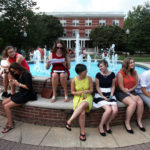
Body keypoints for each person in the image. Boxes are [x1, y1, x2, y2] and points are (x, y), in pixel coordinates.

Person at [1, 63, 37, 133]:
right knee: (3, 102)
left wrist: (18, 84)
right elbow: (12, 77)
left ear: (18, 68)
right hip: (21, 93)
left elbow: (29, 87)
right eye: (13, 72)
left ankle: (10, 124)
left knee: (6, 106)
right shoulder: (18, 74)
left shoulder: (26, 74)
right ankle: (10, 120)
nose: (14, 73)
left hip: (27, 94)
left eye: (14, 71)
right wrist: (10, 76)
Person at [115, 57, 145, 134]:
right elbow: (121, 88)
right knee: (133, 103)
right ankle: (127, 122)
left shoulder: (134, 72)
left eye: (133, 62)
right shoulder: (120, 74)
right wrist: (131, 95)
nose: (133, 64)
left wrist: (131, 91)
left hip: (131, 90)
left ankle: (139, 121)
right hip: (121, 92)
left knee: (140, 103)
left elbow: (136, 84)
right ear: (126, 64)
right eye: (131, 63)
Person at [65, 64, 93, 141]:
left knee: (84, 104)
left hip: (87, 97)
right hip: (78, 97)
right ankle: (82, 132)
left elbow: (91, 90)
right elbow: (72, 92)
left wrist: (88, 91)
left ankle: (69, 121)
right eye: (85, 70)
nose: (87, 71)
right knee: (82, 113)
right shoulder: (74, 80)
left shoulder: (89, 78)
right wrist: (79, 93)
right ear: (80, 72)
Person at [93, 60, 118, 136]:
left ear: (106, 65)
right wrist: (103, 96)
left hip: (110, 93)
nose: (100, 68)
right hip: (100, 94)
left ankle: (107, 123)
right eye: (99, 67)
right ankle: (101, 125)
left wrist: (111, 95)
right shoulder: (98, 75)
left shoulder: (112, 74)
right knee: (108, 110)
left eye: (101, 66)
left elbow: (113, 86)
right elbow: (97, 87)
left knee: (115, 110)